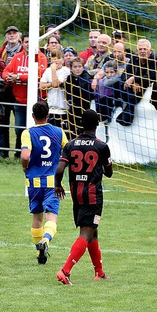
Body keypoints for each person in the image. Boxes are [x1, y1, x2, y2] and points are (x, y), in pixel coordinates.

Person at [54, 109, 113, 285]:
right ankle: (65, 271)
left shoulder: (70, 145)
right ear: (97, 125)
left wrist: (58, 185)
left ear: (81, 124)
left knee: (93, 232)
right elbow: (109, 173)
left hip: (76, 194)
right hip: (93, 196)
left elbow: (59, 169)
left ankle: (99, 272)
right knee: (86, 233)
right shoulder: (102, 146)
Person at [20, 101, 67, 265]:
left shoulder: (28, 133)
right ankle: (45, 241)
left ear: (33, 116)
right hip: (52, 181)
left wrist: (25, 168)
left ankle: (40, 253)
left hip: (34, 181)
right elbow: (67, 152)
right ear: (48, 115)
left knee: (37, 217)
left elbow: (25, 156)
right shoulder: (59, 132)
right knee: (51, 217)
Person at [3, 33, 47, 153]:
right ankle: (20, 153)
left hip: (36, 102)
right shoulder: (17, 57)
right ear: (22, 43)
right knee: (19, 130)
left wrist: (18, 76)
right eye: (26, 42)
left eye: (31, 42)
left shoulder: (41, 57)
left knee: (36, 130)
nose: (29, 44)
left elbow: (39, 75)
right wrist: (9, 77)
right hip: (20, 101)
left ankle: (36, 153)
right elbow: (5, 71)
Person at [39, 49, 70, 129]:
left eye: (58, 58)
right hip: (50, 108)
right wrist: (51, 84)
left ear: (62, 60)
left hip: (62, 108)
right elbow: (41, 86)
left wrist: (53, 70)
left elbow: (56, 84)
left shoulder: (66, 71)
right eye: (53, 58)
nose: (56, 60)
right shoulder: (47, 70)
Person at [63, 58, 93, 140]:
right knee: (72, 127)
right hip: (73, 107)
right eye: (75, 67)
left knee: (83, 127)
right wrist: (69, 100)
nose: (77, 69)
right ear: (71, 68)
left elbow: (84, 91)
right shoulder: (69, 78)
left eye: (79, 66)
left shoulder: (86, 77)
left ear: (83, 67)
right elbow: (67, 92)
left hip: (85, 107)